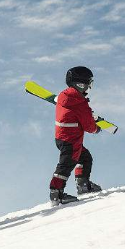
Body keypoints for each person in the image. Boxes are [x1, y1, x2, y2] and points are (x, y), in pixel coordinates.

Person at [50, 66, 102, 206]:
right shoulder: (80, 103)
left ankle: (83, 184)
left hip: (61, 138)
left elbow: (76, 114)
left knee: (84, 158)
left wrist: (89, 114)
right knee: (65, 166)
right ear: (81, 84)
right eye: (88, 84)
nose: (89, 88)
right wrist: (96, 128)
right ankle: (56, 193)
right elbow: (88, 126)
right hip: (71, 141)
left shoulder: (64, 96)